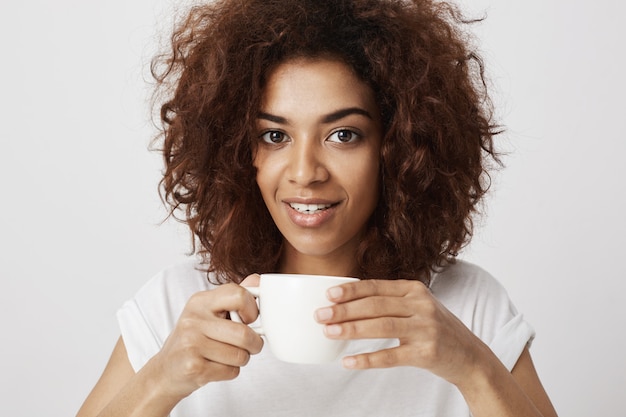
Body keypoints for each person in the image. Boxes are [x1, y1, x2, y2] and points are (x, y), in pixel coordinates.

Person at [77, 0, 558, 416]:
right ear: (239, 152)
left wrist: (473, 368)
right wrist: (160, 380)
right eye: (275, 135)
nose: (305, 172)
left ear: (398, 147)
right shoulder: (176, 307)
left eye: (342, 135)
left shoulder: (467, 306)